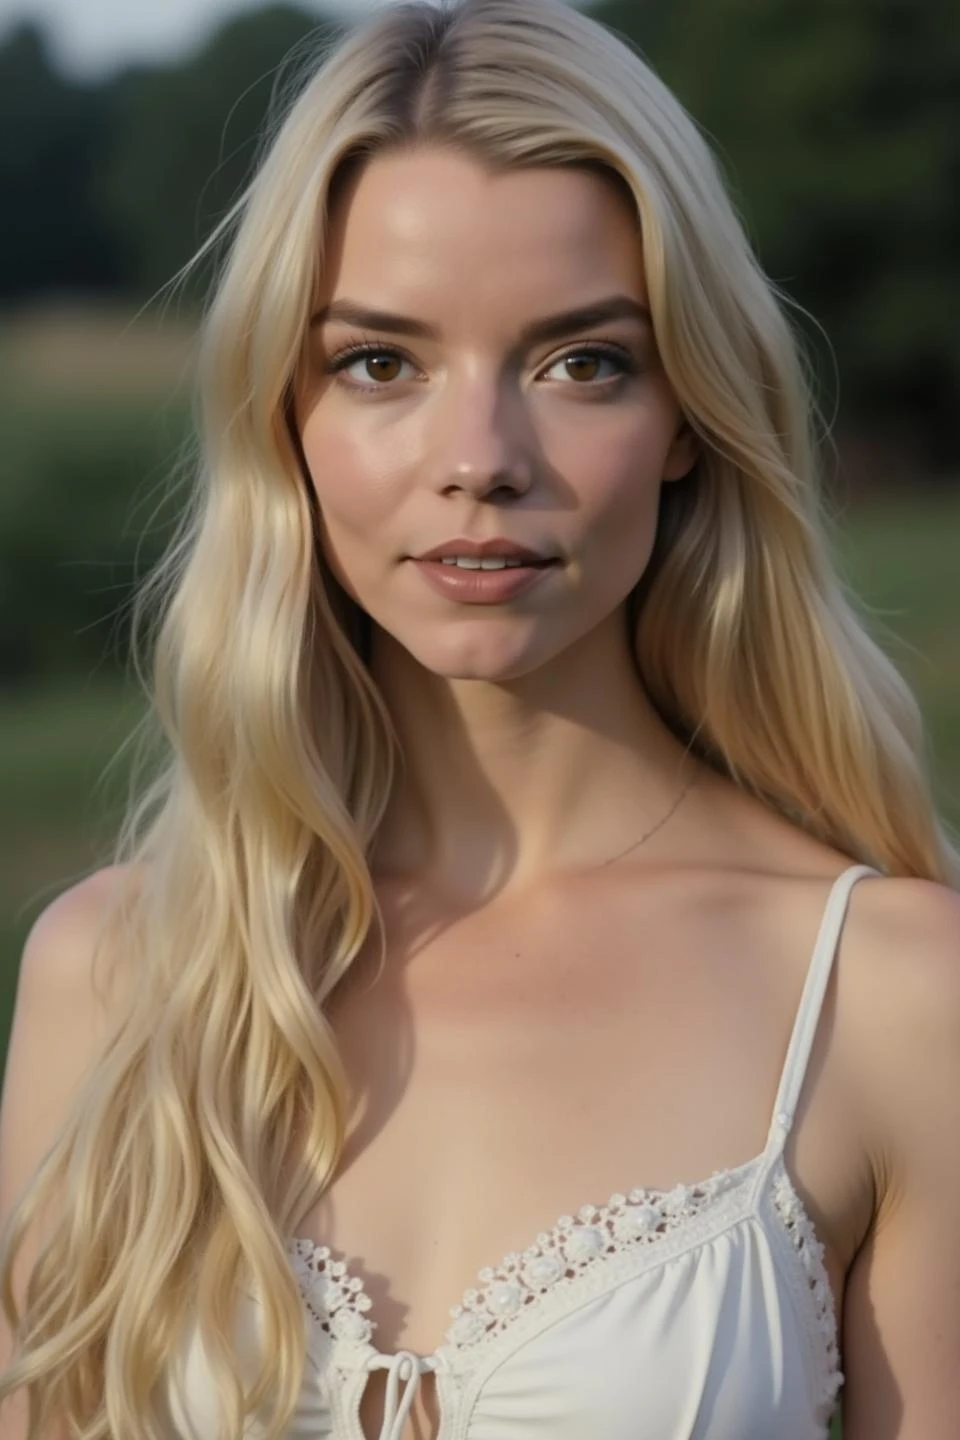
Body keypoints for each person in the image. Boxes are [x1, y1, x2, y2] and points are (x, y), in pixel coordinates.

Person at [2, 0, 959, 1436]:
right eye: (380, 363)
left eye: (584, 362)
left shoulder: (891, 996)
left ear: (690, 406)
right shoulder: (118, 981)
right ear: (287, 414)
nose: (482, 461)